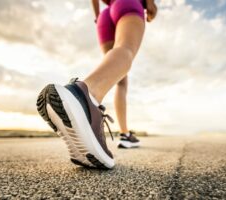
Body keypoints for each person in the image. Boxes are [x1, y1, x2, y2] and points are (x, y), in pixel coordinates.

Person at [36, 0, 157, 169]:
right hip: (128, 4)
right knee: (125, 49)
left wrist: (98, 15)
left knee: (119, 76)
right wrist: (150, 3)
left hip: (105, 15)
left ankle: (125, 133)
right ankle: (86, 96)